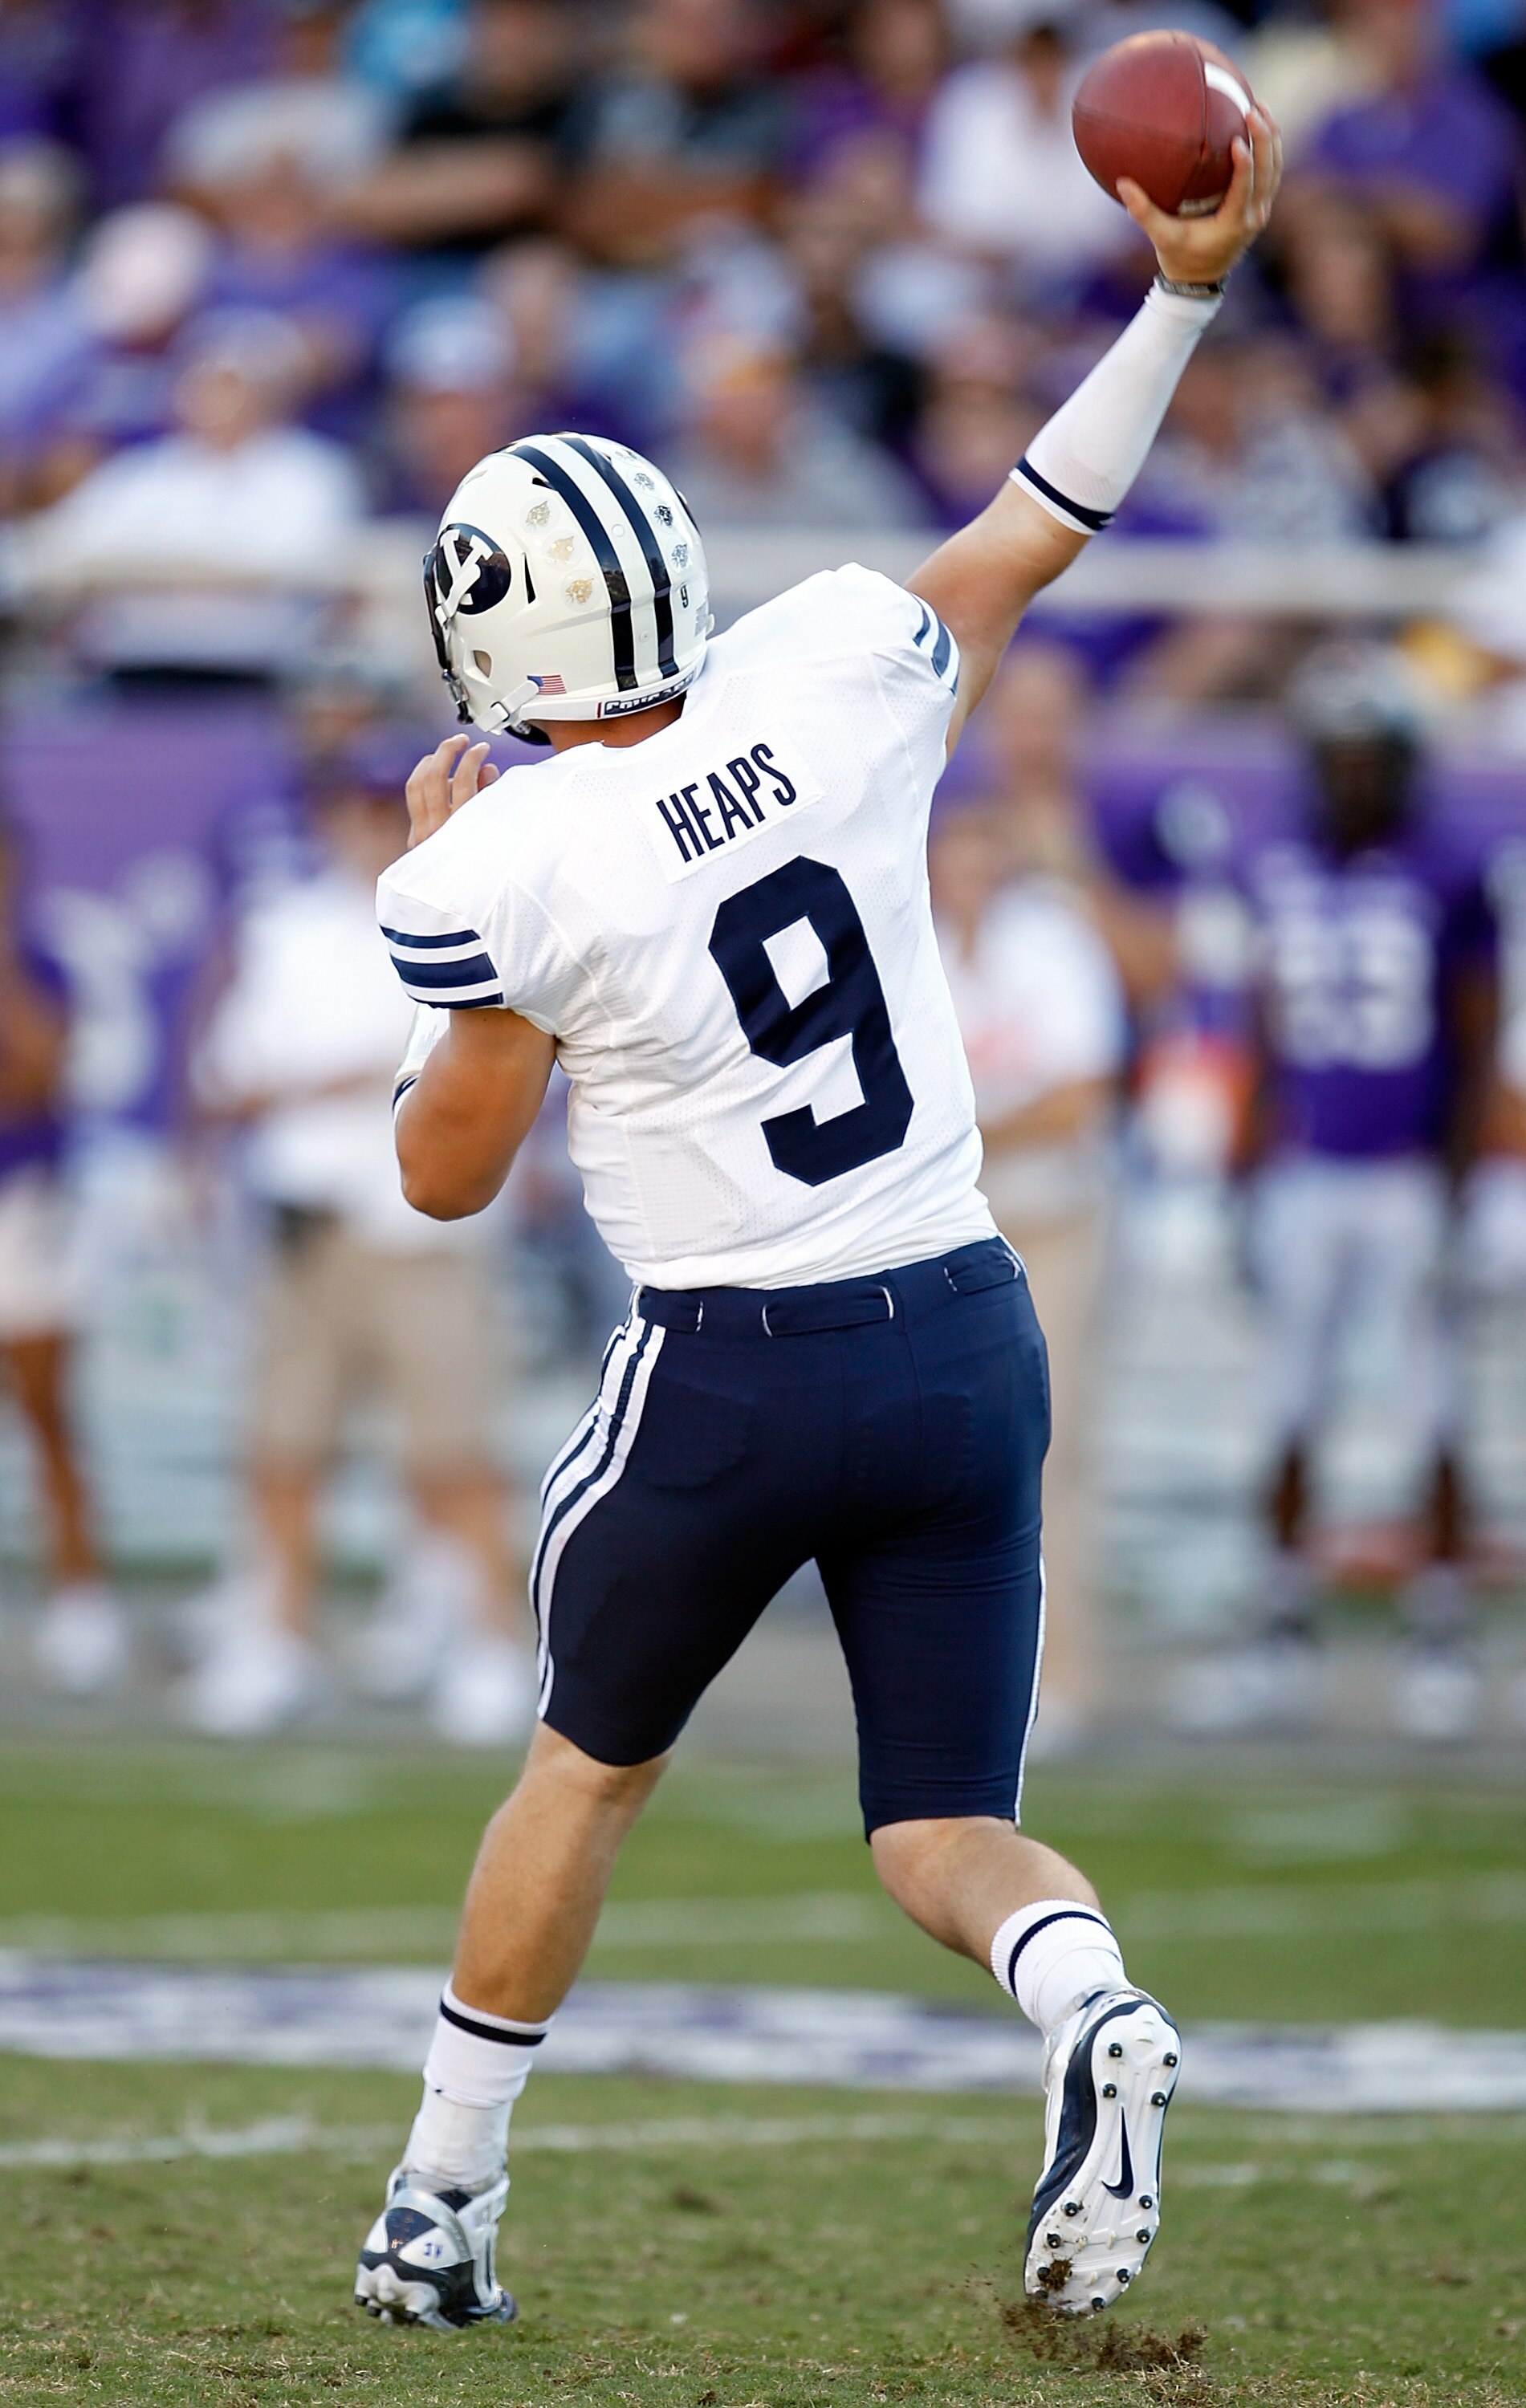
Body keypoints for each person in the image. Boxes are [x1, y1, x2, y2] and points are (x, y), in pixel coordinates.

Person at [351, 115, 1282, 2334]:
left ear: (497, 634)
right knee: (938, 1827)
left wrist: (450, 922)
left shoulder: (507, 860)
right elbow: (1033, 523)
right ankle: (1089, 2004)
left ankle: (437, 2206)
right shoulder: (833, 670)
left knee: (584, 1773)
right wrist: (1178, 295)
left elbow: (442, 1173)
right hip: (960, 1327)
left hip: (731, 1371)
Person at [187, 729, 534, 1744]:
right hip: (314, 1223)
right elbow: (238, 1075)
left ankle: (488, 1646)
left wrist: (331, 1080)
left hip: (421, 1228)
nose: (370, 829)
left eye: (389, 809)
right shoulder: (286, 928)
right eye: (356, 809)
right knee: (286, 1448)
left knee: (452, 1454)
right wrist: (355, 1077)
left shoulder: (472, 921)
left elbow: (445, 1071)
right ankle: (276, 1639)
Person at [1178, 644, 1498, 1740]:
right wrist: (1241, 1158)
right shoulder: (1273, 859)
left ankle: (1440, 1634)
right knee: (1284, 1403)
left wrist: (1457, 1181)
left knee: (1432, 1406)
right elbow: (1259, 1027)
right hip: (1303, 1171)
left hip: (1405, 1173)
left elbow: (1476, 1029)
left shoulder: (1450, 870)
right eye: (1340, 756)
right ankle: (1277, 1631)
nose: (1355, 776)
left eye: (1372, 756)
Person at [0, 820, 127, 1697]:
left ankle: (82, 1600)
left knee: (47, 1412)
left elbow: (40, 1073)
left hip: (22, 1208)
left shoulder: (37, 962)